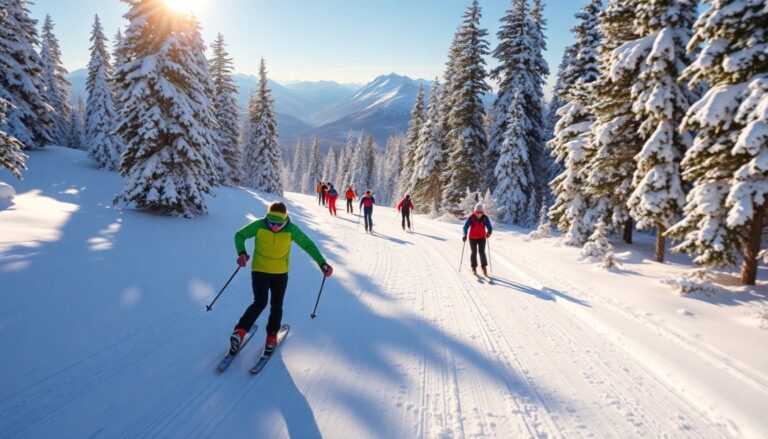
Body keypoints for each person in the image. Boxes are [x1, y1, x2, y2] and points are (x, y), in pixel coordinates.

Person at [230, 202, 333, 355]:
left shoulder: (292, 229)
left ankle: (271, 338)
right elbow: (240, 235)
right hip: (260, 271)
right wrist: (242, 253)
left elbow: (308, 245)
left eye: (279, 223)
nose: (275, 226)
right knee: (260, 302)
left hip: (280, 274)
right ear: (267, 218)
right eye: (271, 222)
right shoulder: (259, 225)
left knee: (276, 305)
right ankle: (239, 332)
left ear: (286, 219)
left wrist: (322, 263)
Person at [462, 203, 493, 277]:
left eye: (481, 213)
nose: (479, 214)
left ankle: (483, 267)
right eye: (477, 213)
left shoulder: (485, 218)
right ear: (474, 212)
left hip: (482, 237)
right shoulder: (471, 218)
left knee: (482, 252)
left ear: (483, 212)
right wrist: (465, 235)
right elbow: (465, 227)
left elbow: (490, 227)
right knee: (474, 252)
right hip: (472, 238)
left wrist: (488, 233)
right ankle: (473, 267)